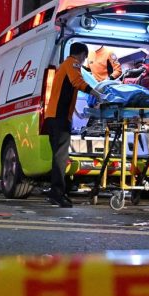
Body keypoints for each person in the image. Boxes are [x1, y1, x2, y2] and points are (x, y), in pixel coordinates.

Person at [45, 42, 103, 207]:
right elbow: (77, 82)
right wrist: (97, 94)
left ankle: (56, 192)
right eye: (85, 57)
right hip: (60, 117)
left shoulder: (64, 66)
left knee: (59, 156)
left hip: (54, 117)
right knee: (60, 158)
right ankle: (57, 193)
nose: (84, 61)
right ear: (82, 55)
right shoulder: (72, 63)